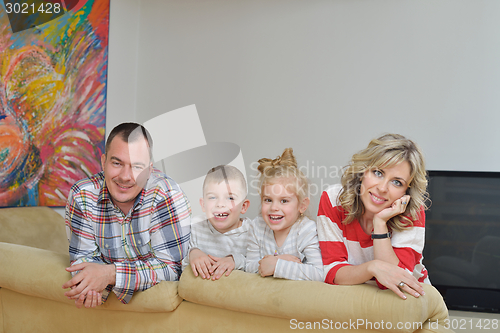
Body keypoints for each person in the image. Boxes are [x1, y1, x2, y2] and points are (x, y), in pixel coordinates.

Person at [62, 122, 191, 308]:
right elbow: (82, 262)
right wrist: (90, 285)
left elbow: (172, 269)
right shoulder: (82, 196)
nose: (125, 176)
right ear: (103, 161)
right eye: (117, 163)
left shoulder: (166, 195)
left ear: (149, 170)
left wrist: (109, 275)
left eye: (137, 167)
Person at [317, 133, 429, 300]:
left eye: (397, 182)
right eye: (378, 173)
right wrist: (372, 267)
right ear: (363, 171)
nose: (382, 188)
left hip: (408, 301)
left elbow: (395, 282)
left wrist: (380, 223)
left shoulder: (412, 211)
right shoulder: (333, 200)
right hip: (355, 299)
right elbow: (333, 272)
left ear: (406, 191)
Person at [245, 148, 323, 281]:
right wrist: (277, 260)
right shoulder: (257, 226)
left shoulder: (306, 230)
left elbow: (319, 273)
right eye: (268, 200)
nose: (274, 207)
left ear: (302, 206)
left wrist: (277, 265)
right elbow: (248, 267)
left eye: (284, 201)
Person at [182, 165, 251, 280]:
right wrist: (193, 253)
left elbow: (258, 266)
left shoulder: (252, 232)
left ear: (243, 206)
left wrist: (235, 260)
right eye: (212, 197)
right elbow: (181, 270)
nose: (220, 204)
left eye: (230, 198)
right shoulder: (196, 227)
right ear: (203, 205)